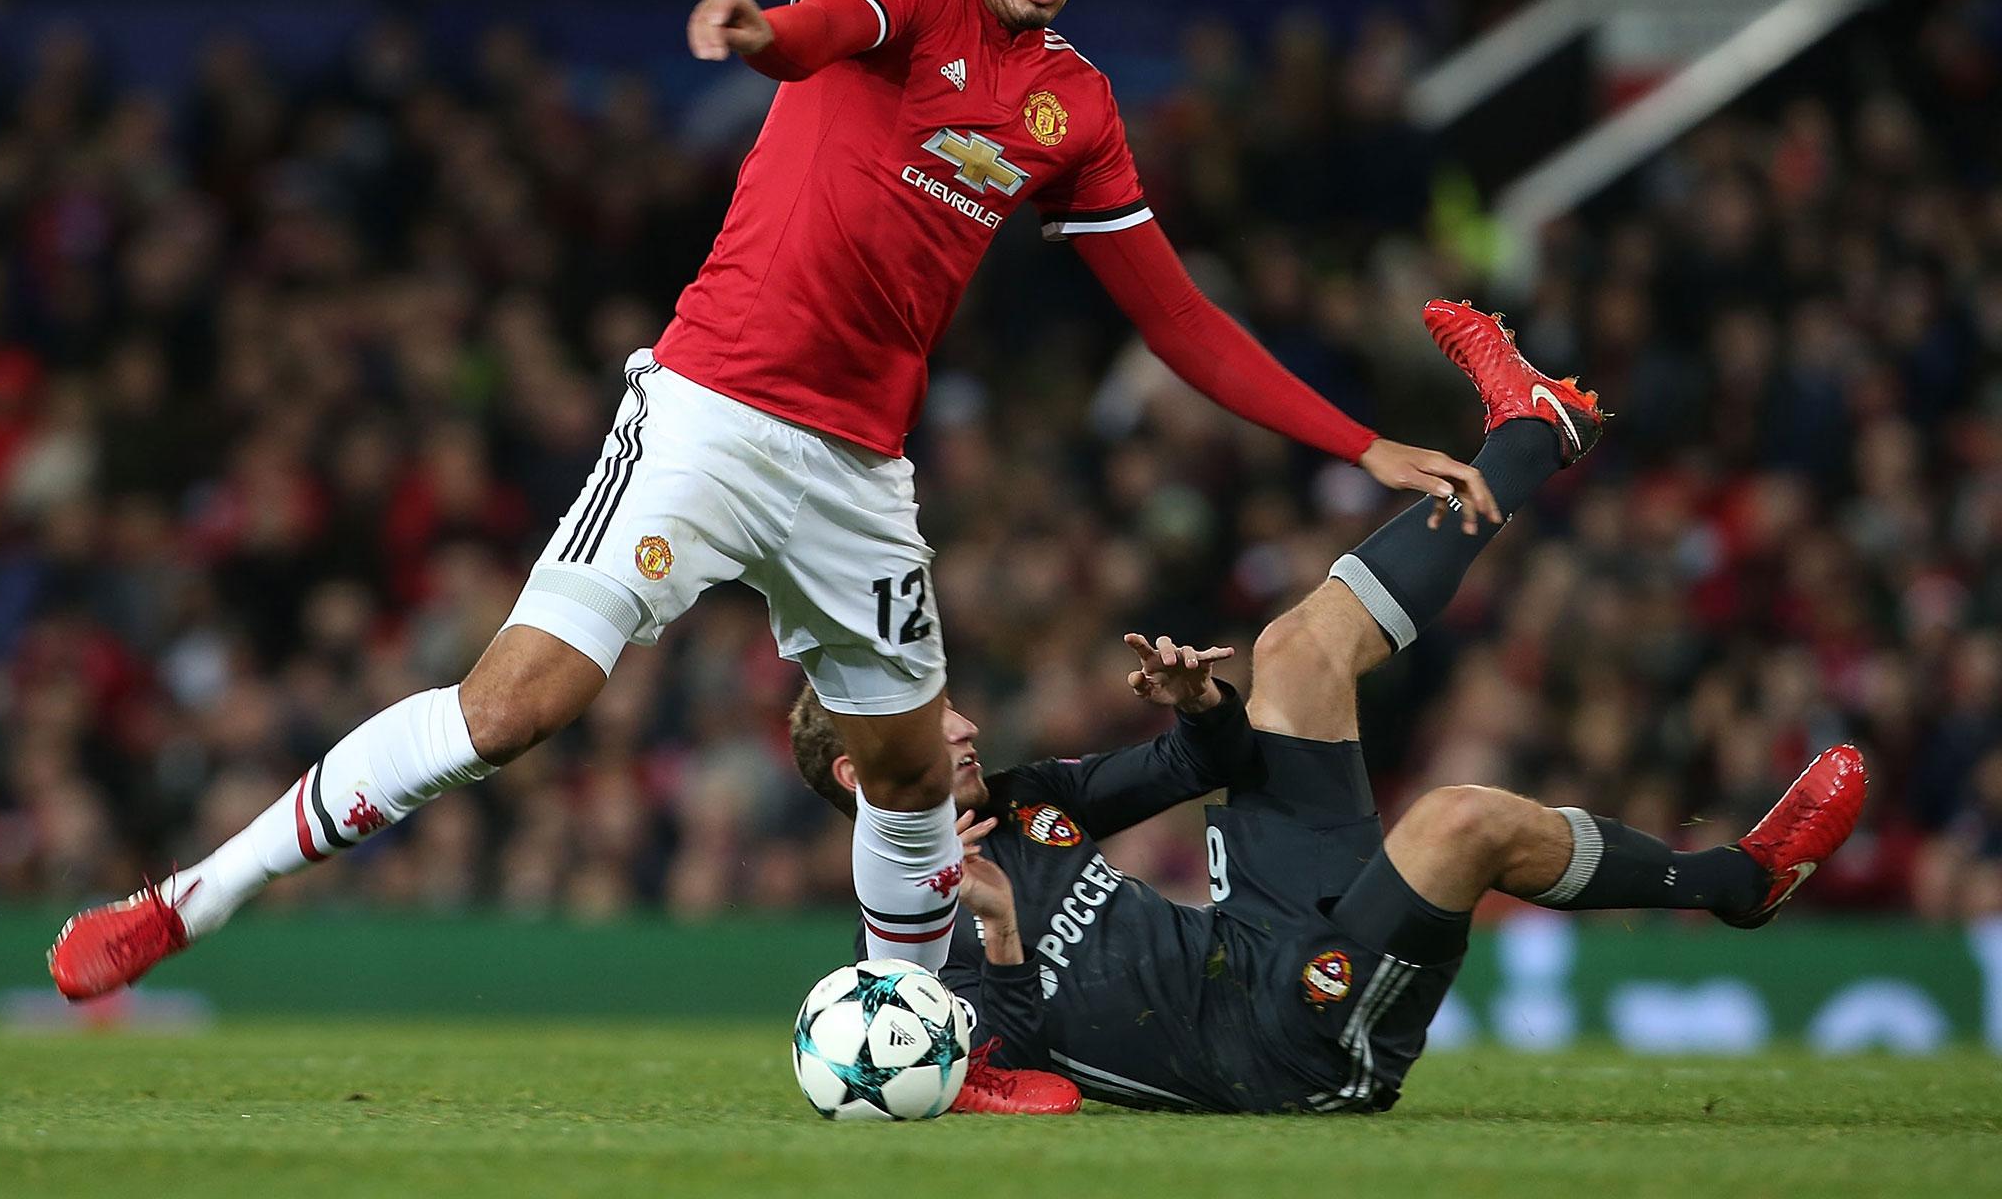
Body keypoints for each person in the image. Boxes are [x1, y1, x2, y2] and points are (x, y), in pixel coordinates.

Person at [47, 0, 1496, 998]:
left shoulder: (1075, 105)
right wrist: (761, 38)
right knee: (515, 709)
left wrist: (1362, 441)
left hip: (860, 471)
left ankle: (921, 1029)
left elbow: (1173, 313)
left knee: (912, 768)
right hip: (710, 415)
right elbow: (823, 21)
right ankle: (190, 898)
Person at [790, 303, 1866, 1112]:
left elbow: (1192, 767)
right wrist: (1004, 927)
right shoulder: (901, 949)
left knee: (1291, 650)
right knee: (1457, 820)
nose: (964, 724)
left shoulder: (1028, 803)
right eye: (928, 720)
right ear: (856, 767)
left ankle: (1530, 432)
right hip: (1282, 1047)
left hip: (1254, 933)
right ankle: (1737, 881)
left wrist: (1200, 702)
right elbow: (1016, 1072)